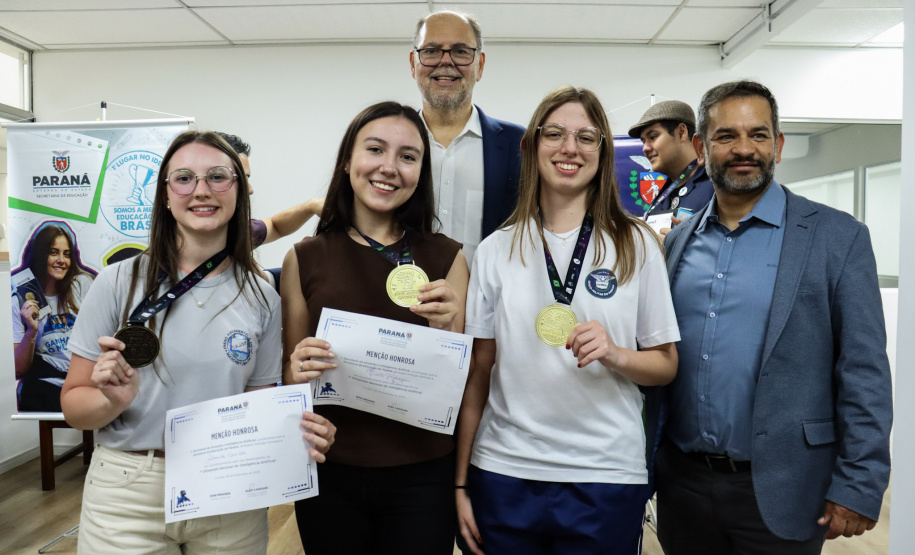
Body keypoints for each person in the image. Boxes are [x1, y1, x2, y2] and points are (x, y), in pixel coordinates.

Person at [60, 130, 336, 554]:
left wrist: (297, 432)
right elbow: (74, 407)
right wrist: (112, 401)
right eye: (184, 178)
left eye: (218, 177)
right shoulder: (119, 282)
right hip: (130, 491)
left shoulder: (262, 296)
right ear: (166, 195)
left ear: (239, 192)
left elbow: (257, 408)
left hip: (229, 491)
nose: (201, 190)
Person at [656, 80, 893, 554]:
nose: (744, 149)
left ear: (778, 144)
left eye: (759, 135)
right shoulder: (677, 244)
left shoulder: (836, 238)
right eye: (726, 136)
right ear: (701, 147)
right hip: (683, 486)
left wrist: (860, 481)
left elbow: (864, 370)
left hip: (784, 487)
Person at [456, 86, 680, 554]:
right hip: (504, 468)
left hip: (604, 475)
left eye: (586, 136)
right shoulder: (497, 249)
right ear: (532, 146)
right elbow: (479, 371)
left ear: (602, 149)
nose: (569, 148)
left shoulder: (636, 244)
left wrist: (617, 354)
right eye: (554, 133)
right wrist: (460, 484)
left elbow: (665, 365)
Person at [283, 101, 469, 555]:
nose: (389, 167)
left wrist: (447, 330)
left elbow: (459, 382)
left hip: (423, 473)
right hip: (329, 468)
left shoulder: (449, 258)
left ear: (420, 172)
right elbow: (290, 383)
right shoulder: (304, 257)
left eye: (408, 156)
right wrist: (298, 366)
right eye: (375, 149)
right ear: (348, 160)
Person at [410, 10, 525, 262]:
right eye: (431, 50)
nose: (445, 61)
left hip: (488, 301)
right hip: (395, 297)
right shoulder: (387, 144)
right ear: (413, 63)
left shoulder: (521, 146)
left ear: (480, 65)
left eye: (461, 51)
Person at [12, 223, 94, 412]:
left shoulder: (81, 284)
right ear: (41, 255)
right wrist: (31, 331)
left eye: (66, 254)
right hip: (46, 386)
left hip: (84, 380)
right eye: (53, 252)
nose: (61, 260)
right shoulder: (19, 302)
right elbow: (19, 370)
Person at [215, 131, 324, 248]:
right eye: (240, 179)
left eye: (246, 178)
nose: (250, 190)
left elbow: (276, 227)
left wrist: (311, 206)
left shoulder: (235, 233)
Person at [628, 100, 713, 238]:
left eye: (653, 137)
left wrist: (683, 245)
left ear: (681, 132)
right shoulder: (661, 197)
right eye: (643, 141)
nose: (645, 148)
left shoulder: (716, 186)